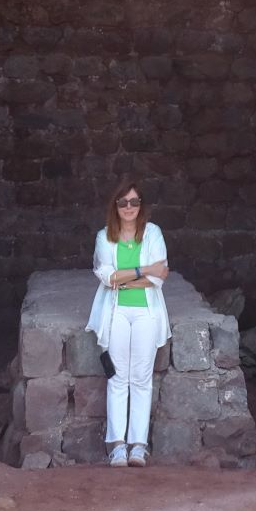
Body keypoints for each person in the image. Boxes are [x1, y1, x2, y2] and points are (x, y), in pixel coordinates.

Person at [85, 179, 170, 467]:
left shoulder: (153, 233)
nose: (129, 207)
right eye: (123, 203)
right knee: (118, 377)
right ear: (115, 206)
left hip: (146, 312)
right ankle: (117, 445)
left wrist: (126, 279)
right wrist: (143, 271)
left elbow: (161, 276)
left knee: (141, 379)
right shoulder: (104, 237)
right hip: (116, 312)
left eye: (134, 202)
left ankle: (138, 445)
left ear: (141, 205)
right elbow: (107, 276)